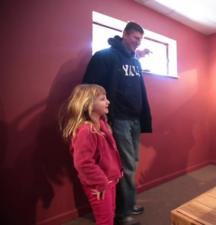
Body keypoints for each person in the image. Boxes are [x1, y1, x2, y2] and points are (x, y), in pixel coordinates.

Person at [83, 21, 152, 225]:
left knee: (132, 164)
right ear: (124, 34)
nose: (138, 43)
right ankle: (123, 213)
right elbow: (88, 88)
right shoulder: (105, 56)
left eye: (140, 39)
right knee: (125, 166)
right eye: (135, 38)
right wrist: (99, 118)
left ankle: (128, 205)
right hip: (118, 119)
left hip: (134, 120)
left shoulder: (135, 61)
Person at [60, 84, 123, 225]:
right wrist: (101, 183)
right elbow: (83, 163)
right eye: (102, 99)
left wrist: (115, 174)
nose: (108, 102)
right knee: (105, 220)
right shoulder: (86, 131)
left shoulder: (102, 124)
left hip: (109, 180)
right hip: (98, 184)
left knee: (110, 214)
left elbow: (110, 152)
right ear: (88, 104)